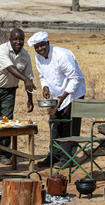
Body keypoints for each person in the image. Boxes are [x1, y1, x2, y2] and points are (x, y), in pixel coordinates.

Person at [27, 31, 86, 168]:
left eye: (42, 45)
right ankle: (53, 156)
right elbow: (43, 76)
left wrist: (63, 96)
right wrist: (46, 88)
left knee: (68, 125)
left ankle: (67, 158)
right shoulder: (38, 58)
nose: (40, 49)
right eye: (37, 47)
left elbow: (75, 78)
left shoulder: (62, 55)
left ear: (47, 43)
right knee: (54, 124)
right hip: (57, 96)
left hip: (72, 94)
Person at [0, 28, 36, 165]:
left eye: (21, 39)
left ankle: (3, 153)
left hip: (9, 91)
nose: (18, 42)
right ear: (10, 39)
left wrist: (30, 100)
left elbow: (29, 79)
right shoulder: (1, 50)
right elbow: (11, 68)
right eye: (15, 39)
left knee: (6, 121)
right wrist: (25, 80)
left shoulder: (25, 56)